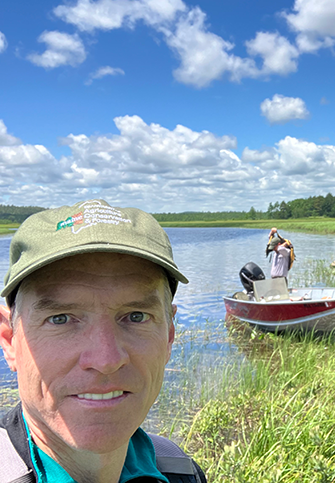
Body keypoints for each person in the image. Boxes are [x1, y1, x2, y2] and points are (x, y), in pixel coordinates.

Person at [0, 199, 206, 483]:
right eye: (60, 318)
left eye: (136, 316)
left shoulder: (179, 470)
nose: (106, 360)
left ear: (169, 334)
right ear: (10, 340)